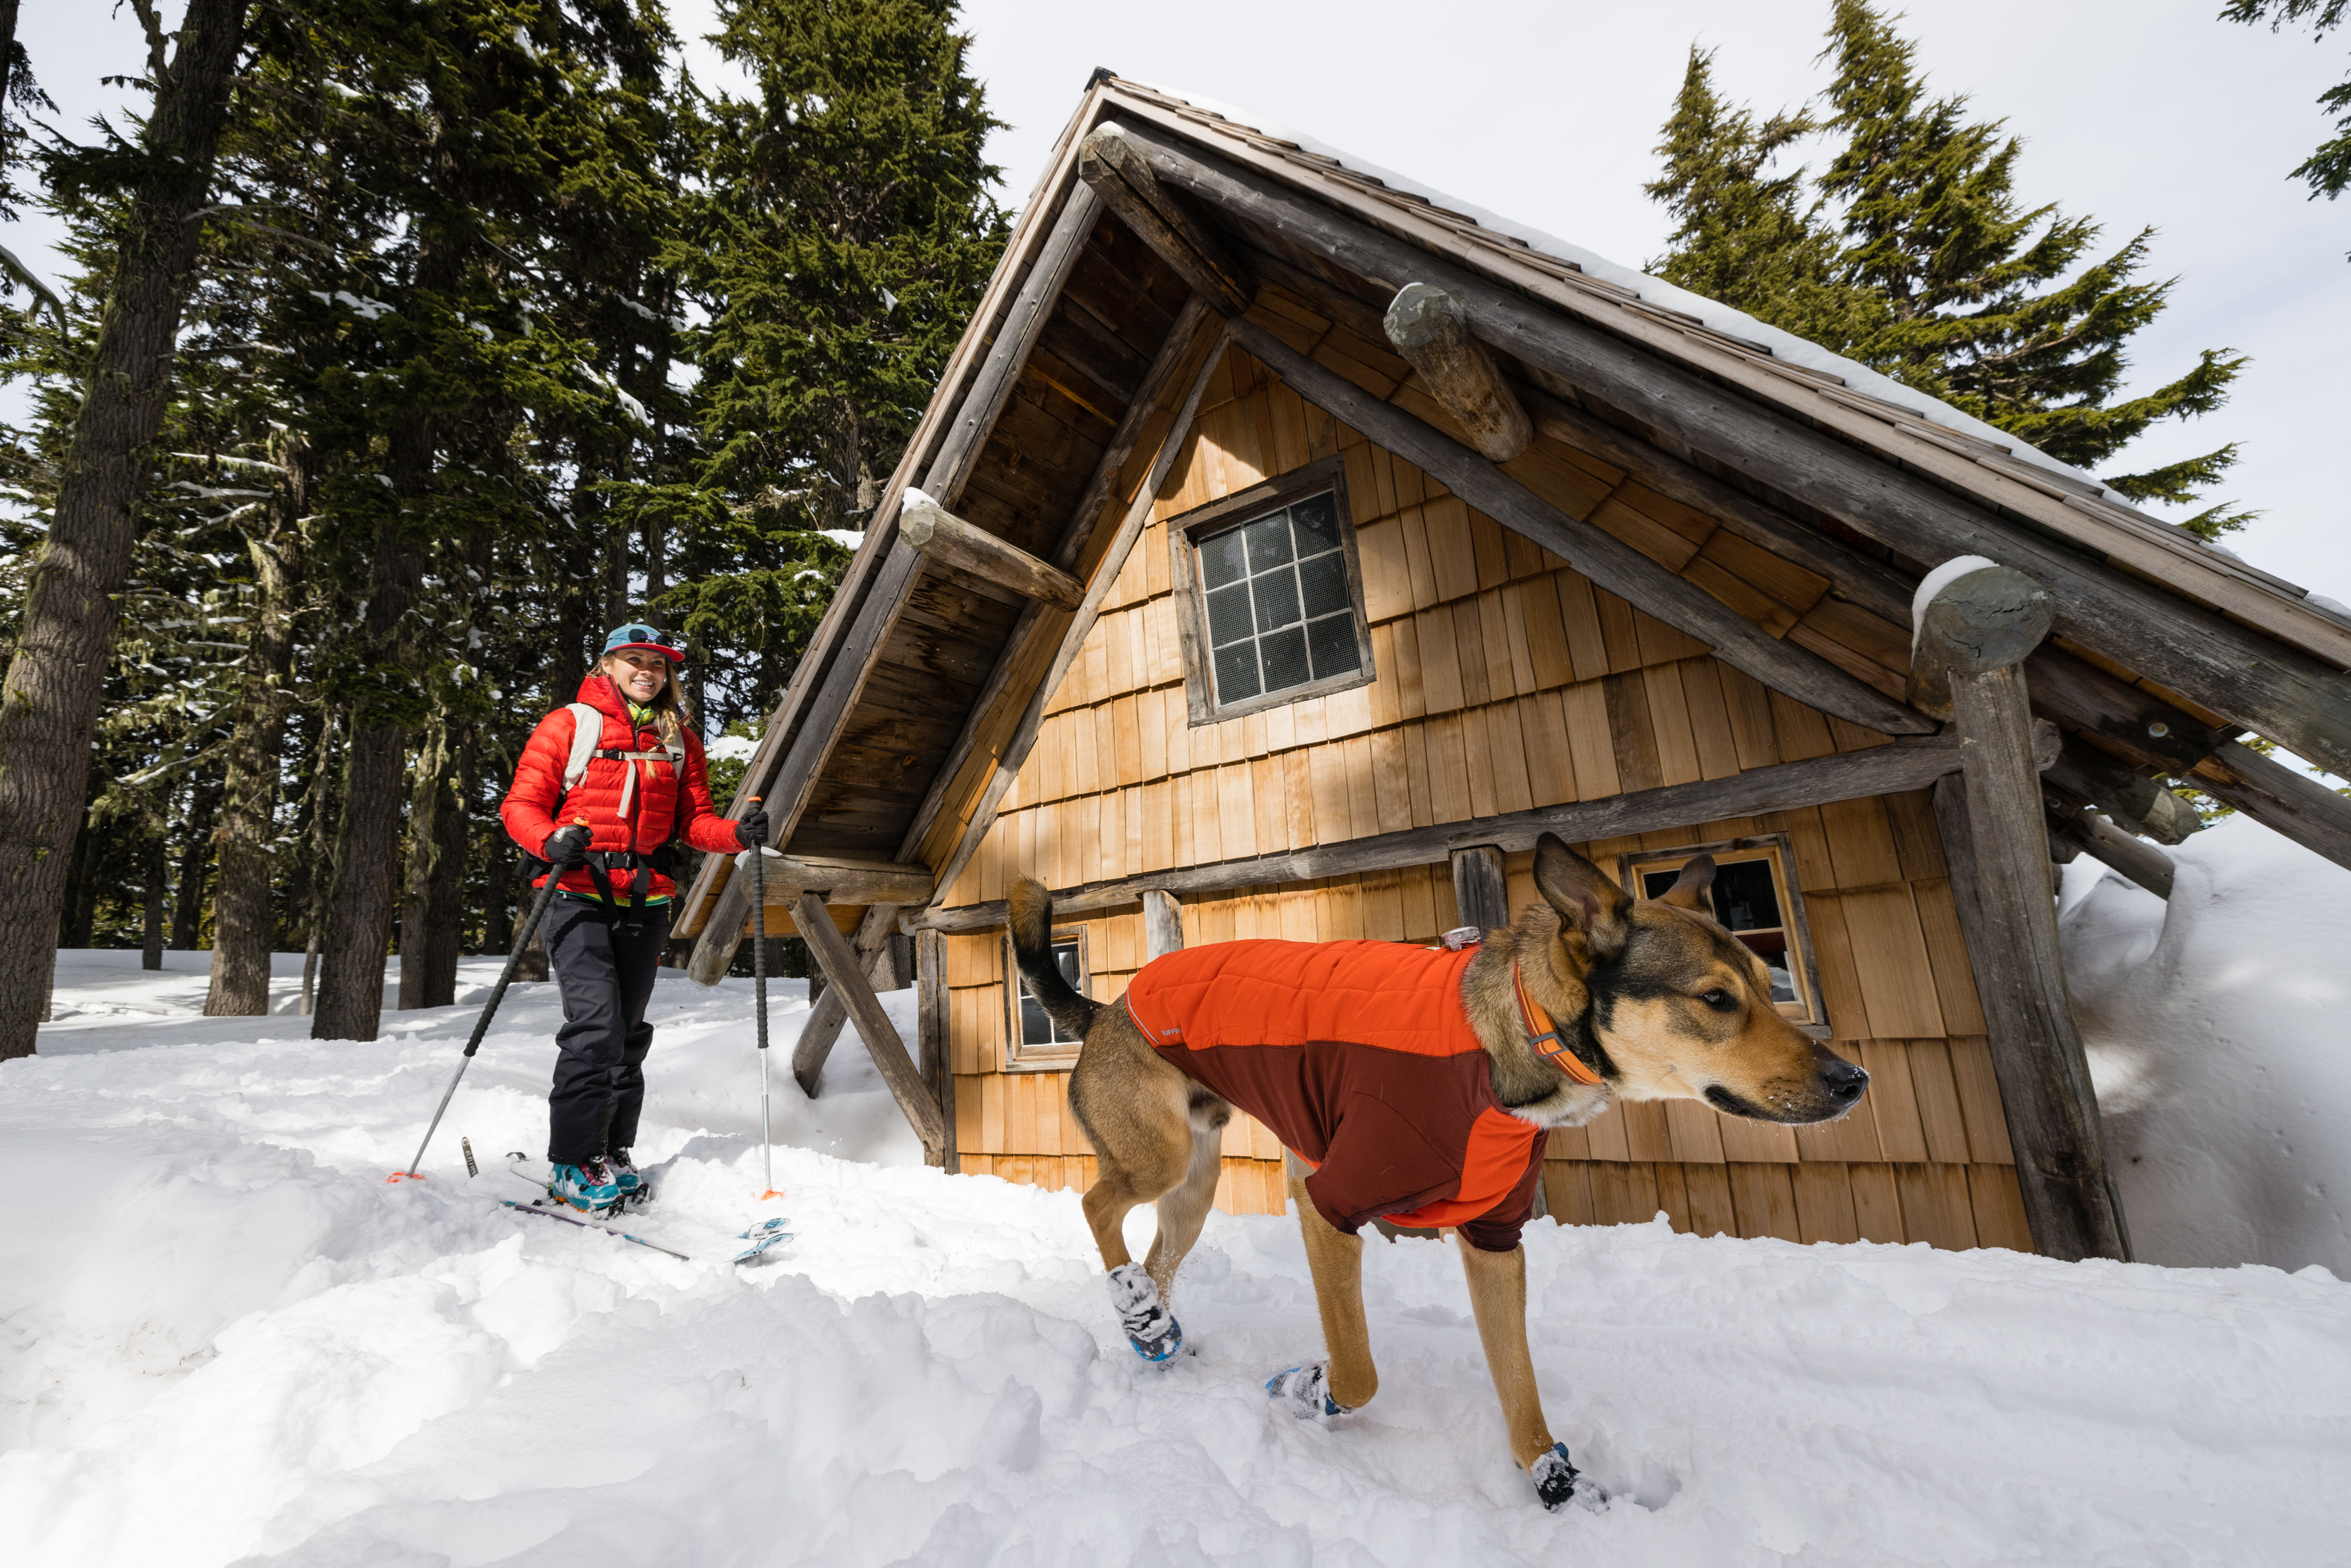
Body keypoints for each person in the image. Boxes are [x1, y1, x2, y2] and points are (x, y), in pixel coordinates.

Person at [501, 623, 766, 1212]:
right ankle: (572, 1162)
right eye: (634, 660)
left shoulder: (680, 740)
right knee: (594, 1027)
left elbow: (694, 823)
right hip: (576, 889)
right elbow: (520, 805)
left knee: (628, 1035)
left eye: (658, 663)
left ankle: (613, 1152)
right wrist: (551, 839)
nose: (647, 670)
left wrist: (735, 835)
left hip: (645, 896)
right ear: (609, 665)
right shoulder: (570, 725)